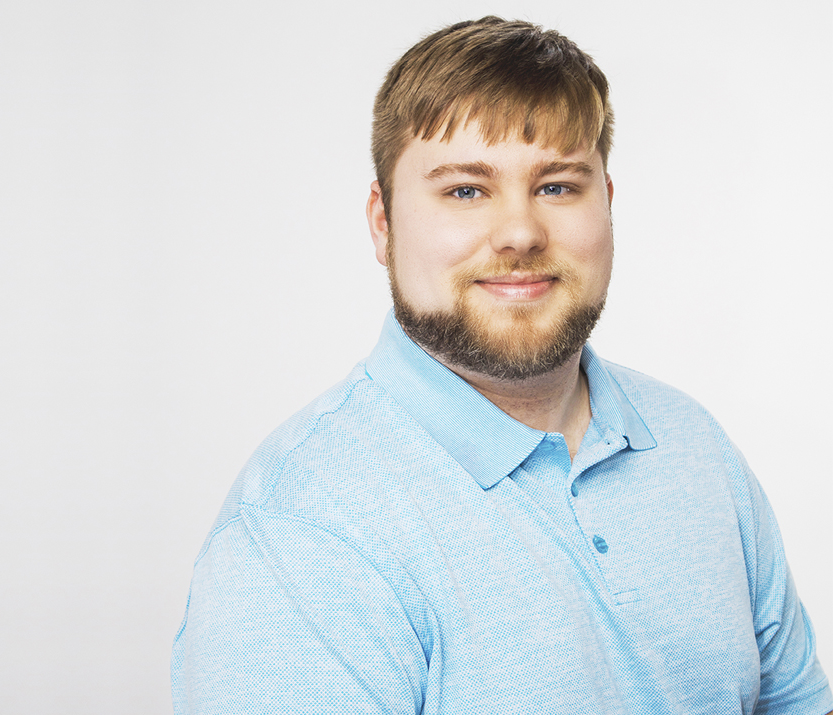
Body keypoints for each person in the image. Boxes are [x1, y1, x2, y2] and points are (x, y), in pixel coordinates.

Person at [171, 17, 832, 714]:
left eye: (557, 186)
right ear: (383, 222)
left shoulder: (694, 444)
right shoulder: (299, 534)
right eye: (465, 190)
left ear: (608, 204)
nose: (520, 233)